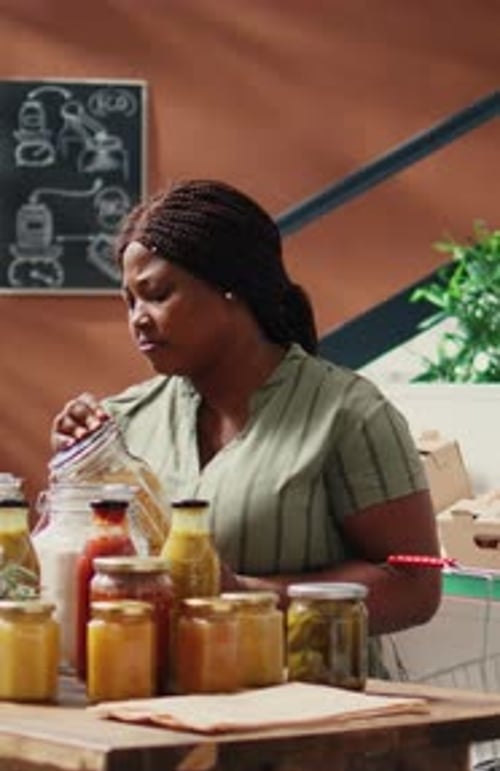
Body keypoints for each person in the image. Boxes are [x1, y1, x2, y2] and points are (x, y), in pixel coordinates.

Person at [52, 178, 441, 639]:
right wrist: (72, 473)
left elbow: (415, 587)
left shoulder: (349, 415)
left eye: (157, 294)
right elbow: (67, 568)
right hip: (153, 698)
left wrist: (241, 594)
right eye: (130, 301)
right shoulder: (122, 423)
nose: (138, 318)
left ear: (231, 286)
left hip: (316, 698)